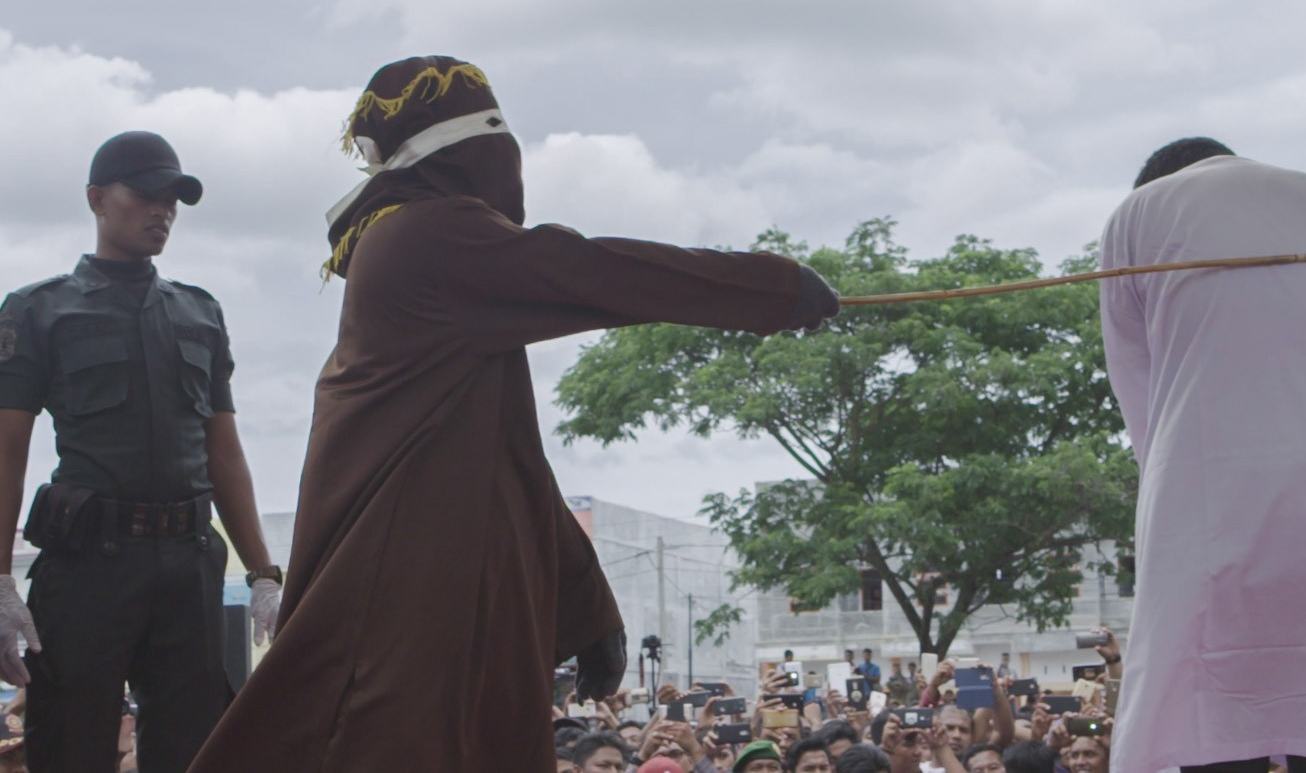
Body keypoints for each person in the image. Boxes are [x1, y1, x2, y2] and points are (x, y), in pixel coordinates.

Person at [187, 56, 839, 772]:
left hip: (447, 585)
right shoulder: (426, 238)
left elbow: (510, 458)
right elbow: (594, 272)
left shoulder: (459, 292)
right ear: (465, 155)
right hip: (400, 585)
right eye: (495, 139)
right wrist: (771, 291)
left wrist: (588, 608)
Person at [1098, 138, 1306, 773]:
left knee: (1205, 705)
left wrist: (1163, 498)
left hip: (1210, 493)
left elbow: (1137, 382)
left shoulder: (1137, 215)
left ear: (1154, 183)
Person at [0, 131, 281, 772]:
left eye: (174, 200)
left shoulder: (199, 313)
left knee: (194, 749)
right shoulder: (38, 311)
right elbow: (6, 451)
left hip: (188, 565)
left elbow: (225, 453)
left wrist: (263, 575)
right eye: (147, 196)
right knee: (71, 745)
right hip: (88, 569)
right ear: (98, 199)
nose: (163, 212)